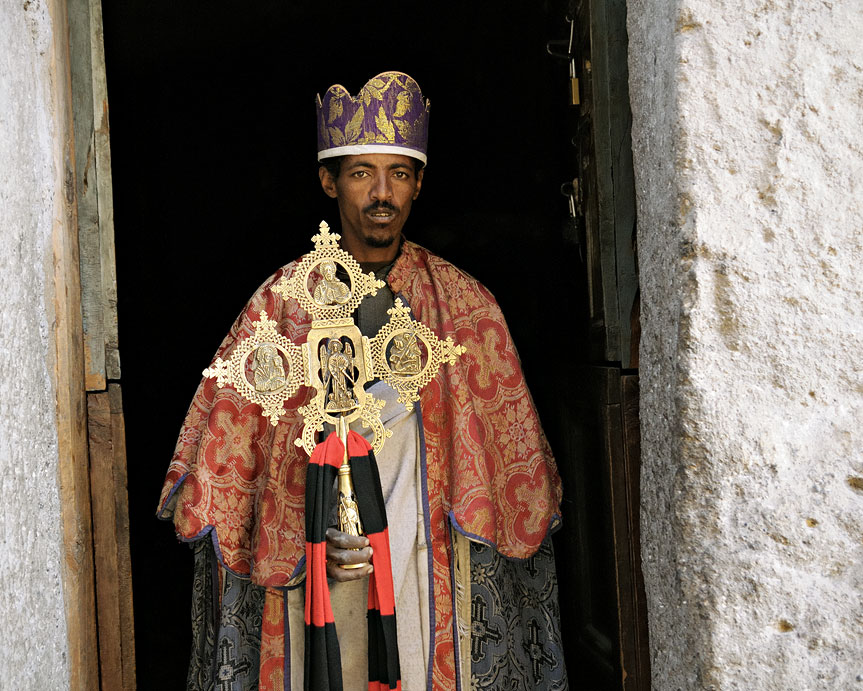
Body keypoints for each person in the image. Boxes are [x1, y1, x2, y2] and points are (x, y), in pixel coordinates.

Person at [157, 71, 566, 691]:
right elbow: (236, 472)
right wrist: (312, 525)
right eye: (360, 173)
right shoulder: (280, 306)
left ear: (419, 184)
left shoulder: (465, 308)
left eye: (399, 173)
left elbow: (510, 479)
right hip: (313, 575)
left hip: (424, 572)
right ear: (328, 181)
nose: (382, 193)